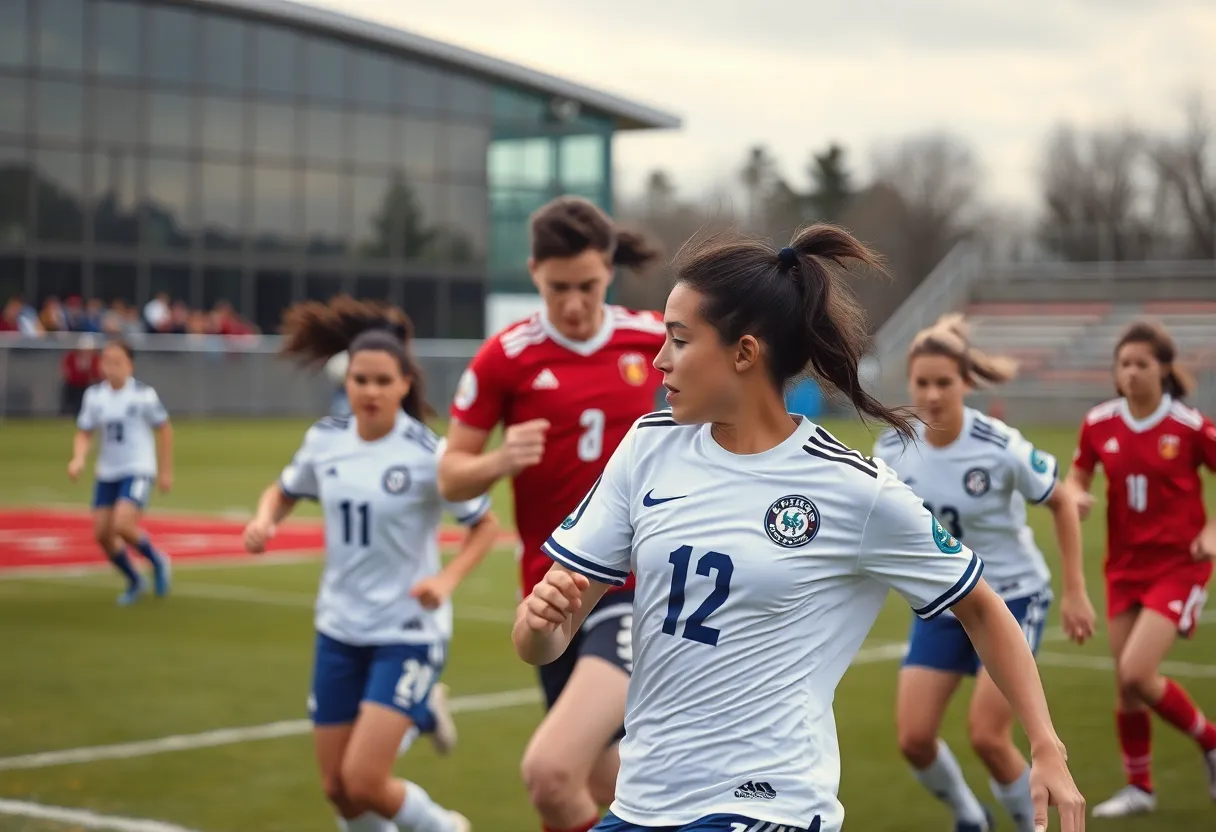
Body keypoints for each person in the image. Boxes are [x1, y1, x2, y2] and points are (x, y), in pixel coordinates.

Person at [513, 225, 1087, 832]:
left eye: (679, 340)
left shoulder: (853, 490)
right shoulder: (648, 447)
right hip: (641, 803)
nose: (660, 360)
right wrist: (542, 624)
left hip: (767, 804)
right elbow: (545, 639)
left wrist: (1047, 745)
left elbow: (981, 607)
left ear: (744, 352)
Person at [438, 196, 664, 832]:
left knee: (550, 771)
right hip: (550, 592)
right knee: (598, 778)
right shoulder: (505, 357)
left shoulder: (652, 340)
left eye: (588, 286)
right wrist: (498, 460)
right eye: (558, 287)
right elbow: (450, 474)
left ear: (609, 271)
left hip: (632, 585)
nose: (573, 303)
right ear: (533, 272)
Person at [243, 297, 500, 832]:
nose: (371, 391)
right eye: (361, 380)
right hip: (338, 627)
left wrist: (445, 580)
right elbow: (284, 490)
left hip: (406, 631)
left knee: (364, 781)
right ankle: (424, 711)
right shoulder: (325, 440)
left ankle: (447, 828)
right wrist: (265, 518)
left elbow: (485, 527)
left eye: (384, 381)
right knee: (339, 792)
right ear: (347, 381)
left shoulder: (428, 453)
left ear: (405, 383)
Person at [875, 314, 1096, 832]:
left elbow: (1062, 502)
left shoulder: (998, 445)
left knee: (989, 737)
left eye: (944, 382)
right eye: (922, 382)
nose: (931, 394)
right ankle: (972, 819)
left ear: (966, 382)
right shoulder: (891, 450)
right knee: (914, 738)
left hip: (1012, 598)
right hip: (944, 602)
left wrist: (1077, 593)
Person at [1066, 320, 1216, 818]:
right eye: (1123, 364)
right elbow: (1079, 475)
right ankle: (1140, 789)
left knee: (1137, 671)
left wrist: (1212, 533)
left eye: (1141, 364)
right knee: (1125, 685)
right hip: (1123, 569)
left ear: (1164, 370)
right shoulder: (1099, 423)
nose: (1130, 373)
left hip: (1178, 566)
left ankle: (1211, 741)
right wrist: (1077, 495)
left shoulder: (1190, 427)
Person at [67, 340, 173, 605]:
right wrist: (78, 458)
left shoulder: (143, 395)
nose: (111, 368)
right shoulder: (95, 396)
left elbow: (164, 429)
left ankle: (157, 560)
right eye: (107, 361)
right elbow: (84, 431)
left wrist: (165, 471)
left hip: (138, 468)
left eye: (118, 362)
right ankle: (135, 579)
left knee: (122, 524)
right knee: (102, 534)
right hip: (108, 471)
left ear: (130, 365)